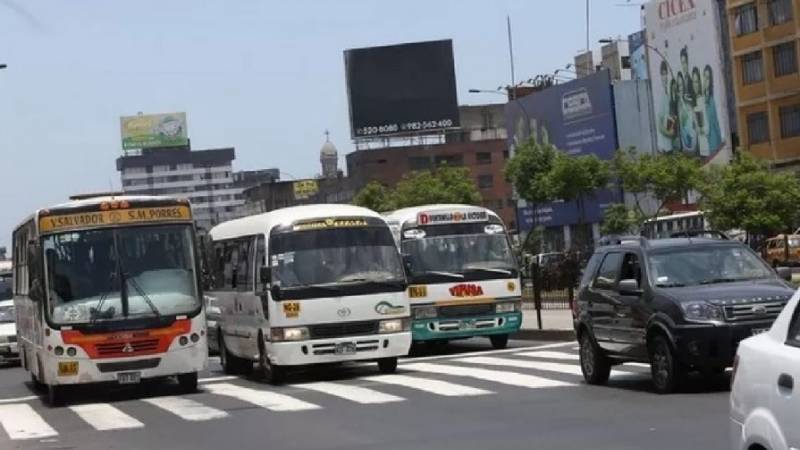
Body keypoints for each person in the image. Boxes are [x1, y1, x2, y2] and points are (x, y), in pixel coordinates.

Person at [657, 61, 677, 151]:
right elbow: (660, 126)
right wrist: (669, 133)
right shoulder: (660, 96)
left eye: (666, 74)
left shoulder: (667, 95)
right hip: (664, 146)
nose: (664, 77)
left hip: (670, 144)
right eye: (662, 74)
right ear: (660, 76)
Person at [702, 65, 723, 154]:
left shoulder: (711, 100)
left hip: (713, 140)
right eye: (705, 77)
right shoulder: (700, 98)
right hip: (704, 142)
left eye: (708, 78)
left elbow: (715, 122)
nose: (706, 80)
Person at [677, 73, 698, 153]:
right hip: (684, 140)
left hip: (693, 138)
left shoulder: (688, 100)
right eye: (679, 86)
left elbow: (688, 115)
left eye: (681, 85)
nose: (680, 88)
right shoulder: (678, 102)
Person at [691, 67, 710, 156]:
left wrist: (699, 129)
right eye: (694, 82)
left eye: (697, 81)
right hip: (695, 151)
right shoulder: (692, 102)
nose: (696, 84)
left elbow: (707, 129)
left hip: (705, 148)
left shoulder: (702, 100)